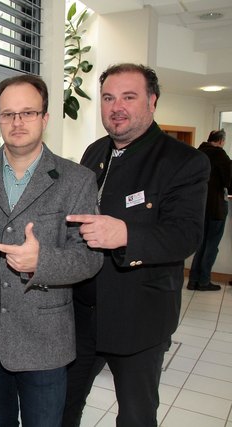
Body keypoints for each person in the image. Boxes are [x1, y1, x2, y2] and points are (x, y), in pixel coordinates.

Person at [63, 63, 210, 426]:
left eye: (129, 97)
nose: (117, 107)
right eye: (109, 98)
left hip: (139, 318)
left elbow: (186, 235)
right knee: (64, 408)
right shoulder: (94, 152)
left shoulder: (185, 161)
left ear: (152, 101)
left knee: (135, 416)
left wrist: (126, 235)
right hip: (83, 314)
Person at [0, 74, 103, 427]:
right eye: (8, 114)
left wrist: (43, 261)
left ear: (45, 118)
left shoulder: (76, 179)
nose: (17, 122)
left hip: (46, 341)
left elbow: (90, 256)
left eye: (28, 113)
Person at [187, 129, 230, 291]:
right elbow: (229, 180)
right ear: (220, 141)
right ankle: (204, 281)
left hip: (198, 207)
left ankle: (193, 280)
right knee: (211, 245)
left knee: (201, 244)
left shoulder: (197, 153)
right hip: (216, 207)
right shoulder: (221, 156)